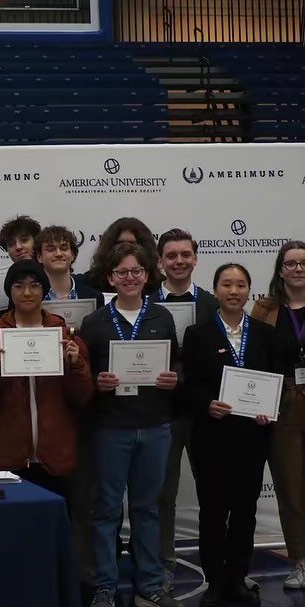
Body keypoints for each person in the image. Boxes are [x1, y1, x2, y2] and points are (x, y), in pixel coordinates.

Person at [78, 242, 182, 607]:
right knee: (106, 509)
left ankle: (151, 582)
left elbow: (178, 364)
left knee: (147, 508)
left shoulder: (162, 318)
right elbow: (81, 377)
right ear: (110, 278)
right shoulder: (94, 323)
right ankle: (105, 584)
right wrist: (97, 384)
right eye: (122, 272)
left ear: (146, 275)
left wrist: (175, 379)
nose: (130, 278)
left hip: (155, 426)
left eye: (136, 271)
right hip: (111, 429)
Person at [185, 263, 274, 606]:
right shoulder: (198, 334)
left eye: (240, 285)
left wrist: (271, 411)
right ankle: (215, 582)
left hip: (252, 438)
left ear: (250, 290)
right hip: (212, 438)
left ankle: (237, 577)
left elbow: (276, 383)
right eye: (226, 285)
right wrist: (206, 404)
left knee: (245, 512)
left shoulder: (265, 335)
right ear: (216, 290)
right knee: (212, 511)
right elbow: (189, 387)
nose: (234, 291)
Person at [0, 261, 94, 494]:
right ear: (9, 291)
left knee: (56, 524)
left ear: (44, 290)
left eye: (34, 286)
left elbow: (83, 397)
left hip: (55, 456)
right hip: (7, 456)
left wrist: (76, 365)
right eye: (18, 286)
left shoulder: (64, 336)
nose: (27, 292)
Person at [148, 228, 218, 589]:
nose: (178, 261)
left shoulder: (212, 304)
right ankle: (164, 561)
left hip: (204, 413)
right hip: (162, 412)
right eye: (171, 255)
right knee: (163, 493)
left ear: (195, 258)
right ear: (160, 261)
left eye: (185, 255)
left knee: (213, 489)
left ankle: (217, 562)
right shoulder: (143, 304)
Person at [251, 240, 305, 590]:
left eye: (304, 263)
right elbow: (253, 359)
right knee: (290, 485)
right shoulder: (265, 309)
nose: (298, 269)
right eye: (291, 263)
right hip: (284, 401)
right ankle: (301, 560)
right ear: (280, 269)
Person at [83, 217, 162, 295]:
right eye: (120, 244)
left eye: (132, 244)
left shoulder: (159, 284)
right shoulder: (90, 282)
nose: (126, 249)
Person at [34, 225, 104, 308]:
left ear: (72, 255)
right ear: (39, 257)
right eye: (51, 249)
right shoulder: (29, 296)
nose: (59, 254)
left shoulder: (94, 296)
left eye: (64, 248)